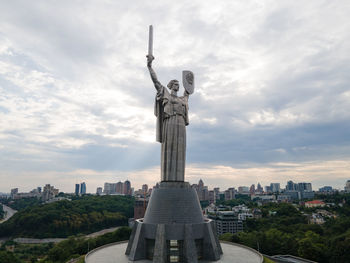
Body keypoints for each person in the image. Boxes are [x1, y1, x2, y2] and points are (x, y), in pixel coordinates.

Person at [147, 55, 191, 182]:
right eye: (176, 84)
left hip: (181, 124)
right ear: (171, 86)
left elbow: (189, 89)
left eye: (178, 84)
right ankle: (168, 179)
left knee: (180, 150)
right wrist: (150, 66)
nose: (178, 86)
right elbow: (155, 81)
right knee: (170, 148)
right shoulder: (165, 93)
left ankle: (179, 179)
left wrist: (189, 82)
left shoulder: (183, 99)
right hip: (170, 122)